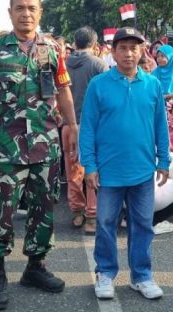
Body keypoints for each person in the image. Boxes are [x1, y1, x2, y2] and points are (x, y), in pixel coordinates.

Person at [0, 0, 78, 311]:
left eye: (32, 8)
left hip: (45, 144)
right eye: (20, 8)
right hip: (5, 146)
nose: (26, 14)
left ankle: (35, 267)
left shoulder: (53, 49)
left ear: (40, 13)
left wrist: (72, 126)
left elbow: (63, 89)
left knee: (43, 208)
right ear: (10, 12)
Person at [79, 27, 170, 301]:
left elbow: (161, 125)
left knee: (142, 225)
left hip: (142, 170)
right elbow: (88, 128)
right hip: (108, 172)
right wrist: (89, 165)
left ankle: (141, 276)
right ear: (113, 51)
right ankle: (105, 273)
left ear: (142, 51)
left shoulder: (152, 84)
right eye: (123, 48)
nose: (129, 53)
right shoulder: (99, 85)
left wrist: (164, 160)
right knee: (106, 223)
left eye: (134, 48)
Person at [65, 26, 108, 235]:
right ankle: (92, 216)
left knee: (72, 170)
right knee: (92, 169)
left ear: (75, 43)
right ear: (94, 43)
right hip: (92, 125)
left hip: (67, 124)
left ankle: (77, 212)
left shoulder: (63, 64)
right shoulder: (98, 64)